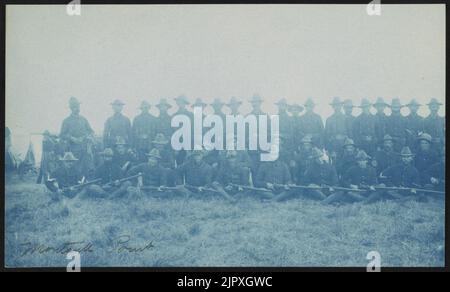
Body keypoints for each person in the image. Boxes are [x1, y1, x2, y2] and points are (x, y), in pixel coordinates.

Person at [59, 97, 95, 174]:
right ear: (71, 108)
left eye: (78, 106)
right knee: (75, 167)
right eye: (75, 107)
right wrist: (72, 138)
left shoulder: (83, 119)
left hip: (85, 148)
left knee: (87, 167)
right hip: (73, 149)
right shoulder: (66, 121)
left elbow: (91, 131)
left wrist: (87, 137)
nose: (77, 108)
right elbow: (62, 135)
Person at [324, 97, 348, 162]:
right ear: (333, 107)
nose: (337, 107)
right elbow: (326, 135)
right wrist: (328, 149)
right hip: (333, 146)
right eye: (335, 105)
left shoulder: (346, 118)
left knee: (345, 164)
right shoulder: (329, 119)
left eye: (338, 105)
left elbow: (350, 133)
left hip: (345, 145)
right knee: (334, 164)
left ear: (341, 106)